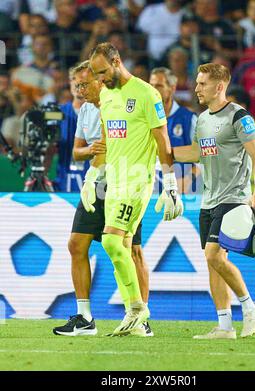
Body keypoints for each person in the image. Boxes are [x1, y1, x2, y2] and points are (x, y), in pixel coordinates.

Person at [81, 42, 183, 336]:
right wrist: (92, 177)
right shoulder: (107, 95)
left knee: (112, 242)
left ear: (117, 60)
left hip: (137, 181)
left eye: (103, 72)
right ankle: (135, 319)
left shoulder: (145, 93)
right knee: (120, 248)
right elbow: (105, 139)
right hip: (113, 182)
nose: (100, 79)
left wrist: (171, 184)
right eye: (96, 75)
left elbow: (163, 140)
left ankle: (138, 309)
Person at [53, 61, 153, 337]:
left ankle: (140, 317)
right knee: (76, 244)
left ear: (100, 81)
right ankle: (85, 318)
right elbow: (76, 152)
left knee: (131, 250)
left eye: (84, 84)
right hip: (95, 185)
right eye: (76, 85)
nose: (80, 90)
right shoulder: (85, 110)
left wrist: (97, 156)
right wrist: (90, 151)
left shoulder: (119, 103)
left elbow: (118, 145)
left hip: (126, 182)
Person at [173, 63, 255, 339]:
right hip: (208, 200)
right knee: (212, 260)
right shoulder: (202, 120)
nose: (197, 88)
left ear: (219, 86)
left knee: (214, 255)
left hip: (234, 198)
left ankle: (250, 308)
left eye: (202, 84)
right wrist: (161, 151)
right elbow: (197, 154)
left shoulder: (239, 116)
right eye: (197, 83)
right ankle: (225, 325)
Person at [149, 66, 198, 194]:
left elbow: (205, 155)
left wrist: (188, 180)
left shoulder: (188, 118)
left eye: (159, 86)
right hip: (149, 192)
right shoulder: (143, 120)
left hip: (181, 192)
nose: (153, 90)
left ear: (172, 88)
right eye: (151, 86)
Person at [54, 66, 86, 192]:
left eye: (82, 79)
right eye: (73, 78)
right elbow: (49, 151)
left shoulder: (103, 113)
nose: (77, 83)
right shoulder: (57, 113)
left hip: (95, 186)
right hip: (64, 184)